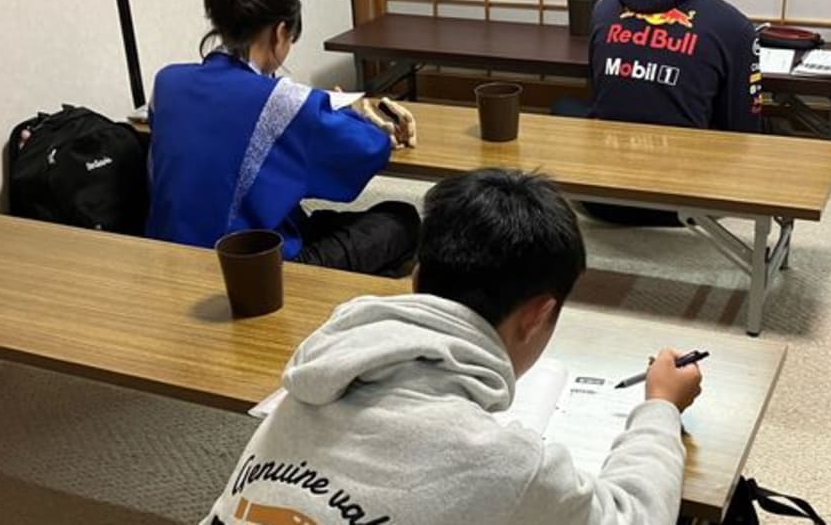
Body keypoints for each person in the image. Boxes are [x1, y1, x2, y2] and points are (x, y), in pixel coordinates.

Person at [202, 168, 703, 525]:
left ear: (417, 277)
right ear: (537, 316)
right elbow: (636, 515)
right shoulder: (508, 464)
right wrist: (660, 406)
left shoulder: (308, 387)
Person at [146, 0, 420, 276]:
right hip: (255, 270)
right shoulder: (282, 100)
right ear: (279, 32)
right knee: (400, 219)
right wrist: (355, 113)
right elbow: (368, 148)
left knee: (295, 212)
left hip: (168, 257)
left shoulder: (167, 82)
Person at [559, 0, 762, 226]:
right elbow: (744, 129)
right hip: (688, 202)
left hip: (602, 197)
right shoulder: (734, 26)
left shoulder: (605, 10)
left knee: (564, 107)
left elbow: (602, 94)